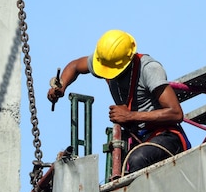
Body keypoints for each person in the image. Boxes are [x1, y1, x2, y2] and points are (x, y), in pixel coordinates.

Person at [47, 29, 190, 175]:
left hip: (165, 136)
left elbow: (176, 113)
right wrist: (62, 85)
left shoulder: (149, 69)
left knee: (137, 159)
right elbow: (75, 66)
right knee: (117, 172)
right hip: (136, 139)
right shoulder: (106, 62)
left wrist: (131, 116)